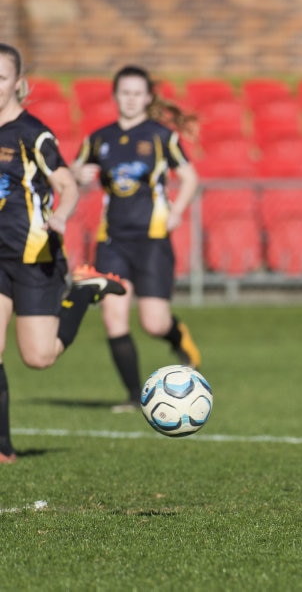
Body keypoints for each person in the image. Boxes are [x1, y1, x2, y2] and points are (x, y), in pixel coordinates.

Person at [0, 43, 126, 464]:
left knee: (39, 358)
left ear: (18, 83)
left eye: (1, 78)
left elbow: (67, 183)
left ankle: (85, 291)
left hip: (35, 254)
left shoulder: (33, 133)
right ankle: (3, 449)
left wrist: (61, 216)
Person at [71, 65, 202, 413]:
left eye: (136, 93)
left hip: (152, 240)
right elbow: (69, 176)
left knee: (153, 322)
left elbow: (189, 177)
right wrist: (77, 174)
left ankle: (180, 340)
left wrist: (177, 212)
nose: (129, 99)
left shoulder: (161, 137)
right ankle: (133, 397)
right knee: (114, 318)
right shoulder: (98, 139)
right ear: (115, 97)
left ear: (147, 98)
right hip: (112, 240)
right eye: (123, 93)